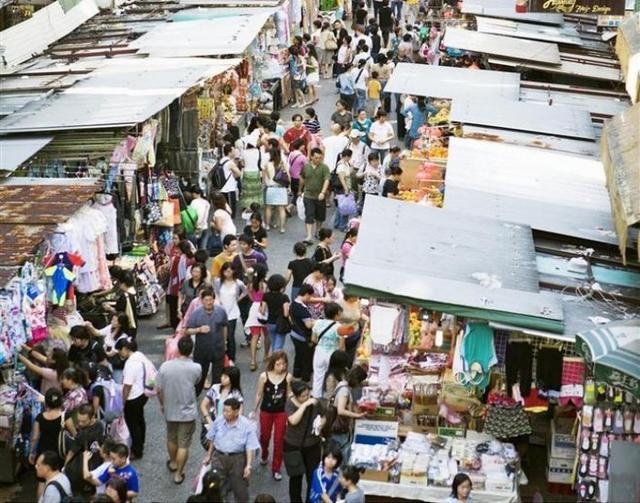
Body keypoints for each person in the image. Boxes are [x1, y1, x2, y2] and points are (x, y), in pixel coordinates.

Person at [157, 337, 202, 484]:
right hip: (187, 411)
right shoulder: (196, 367)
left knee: (171, 437)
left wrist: (162, 404)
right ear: (191, 350)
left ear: (178, 349)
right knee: (184, 443)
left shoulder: (165, 366)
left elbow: (158, 388)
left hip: (170, 408)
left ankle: (173, 462)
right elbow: (197, 382)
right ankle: (178, 474)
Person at [203, 398, 260, 503]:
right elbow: (212, 438)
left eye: (227, 411)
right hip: (219, 458)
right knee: (216, 486)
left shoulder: (246, 425)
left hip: (237, 459)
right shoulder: (219, 421)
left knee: (240, 488)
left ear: (236, 411)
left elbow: (250, 447)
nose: (224, 413)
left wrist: (248, 465)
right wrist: (208, 455)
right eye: (224, 410)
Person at [252, 351, 293, 481]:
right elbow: (259, 394)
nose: (281, 367)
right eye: (278, 364)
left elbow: (289, 395)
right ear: (272, 364)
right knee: (264, 437)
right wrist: (254, 410)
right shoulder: (264, 376)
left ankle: (276, 467)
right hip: (266, 411)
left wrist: (291, 413)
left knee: (279, 440)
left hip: (281, 412)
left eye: (283, 364)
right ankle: (264, 454)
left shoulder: (288, 377)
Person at [284, 381, 325, 503]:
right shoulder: (290, 404)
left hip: (312, 445)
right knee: (295, 478)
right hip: (293, 445)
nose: (307, 397)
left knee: (312, 478)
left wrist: (320, 425)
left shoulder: (315, 403)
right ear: (296, 396)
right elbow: (293, 420)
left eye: (308, 394)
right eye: (303, 396)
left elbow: (324, 416)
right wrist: (304, 405)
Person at [184, 288, 228, 395]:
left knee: (217, 379)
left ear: (214, 300)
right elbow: (186, 331)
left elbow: (224, 326)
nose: (208, 302)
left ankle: (215, 400)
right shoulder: (196, 313)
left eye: (210, 300)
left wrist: (225, 342)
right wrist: (198, 330)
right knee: (200, 378)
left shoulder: (221, 311)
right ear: (202, 301)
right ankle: (194, 398)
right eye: (206, 300)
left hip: (218, 349)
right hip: (202, 350)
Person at [311, 303, 354, 398]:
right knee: (333, 377)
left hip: (319, 352)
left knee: (318, 377)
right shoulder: (340, 327)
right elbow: (342, 346)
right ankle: (331, 398)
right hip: (333, 355)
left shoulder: (317, 323)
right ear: (337, 314)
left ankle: (316, 399)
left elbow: (313, 339)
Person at [64, 404, 105, 498]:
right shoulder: (100, 425)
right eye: (79, 421)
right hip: (99, 464)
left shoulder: (82, 434)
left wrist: (65, 466)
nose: (80, 424)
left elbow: (72, 452)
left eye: (83, 421)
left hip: (87, 467)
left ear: (92, 417)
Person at [117, 338, 149, 459]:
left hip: (133, 397)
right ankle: (141, 441)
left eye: (120, 350)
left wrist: (123, 402)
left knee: (133, 424)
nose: (119, 353)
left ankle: (137, 450)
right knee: (140, 419)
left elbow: (127, 386)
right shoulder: (139, 356)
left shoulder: (130, 364)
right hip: (143, 393)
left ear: (125, 349)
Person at [30, 389, 64, 499]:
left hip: (43, 453)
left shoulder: (40, 417)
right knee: (56, 480)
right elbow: (73, 434)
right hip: (58, 453)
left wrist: (32, 452)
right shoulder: (64, 417)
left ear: (46, 402)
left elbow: (35, 437)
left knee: (41, 482)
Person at [330, 367, 367, 461]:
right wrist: (357, 416)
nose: (360, 384)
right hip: (340, 428)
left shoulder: (342, 384)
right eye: (360, 382)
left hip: (336, 427)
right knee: (342, 453)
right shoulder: (345, 391)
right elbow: (341, 410)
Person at [213, 262, 247, 362]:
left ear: (233, 271)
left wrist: (238, 299)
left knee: (230, 336)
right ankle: (222, 358)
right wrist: (217, 302)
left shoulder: (238, 283)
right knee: (220, 335)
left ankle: (231, 359)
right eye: (225, 271)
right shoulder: (218, 282)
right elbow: (215, 292)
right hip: (220, 312)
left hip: (232, 312)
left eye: (229, 271)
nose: (227, 273)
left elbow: (245, 292)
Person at [201, 366, 244, 435]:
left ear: (233, 379)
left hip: (228, 428)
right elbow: (203, 405)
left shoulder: (236, 394)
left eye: (226, 377)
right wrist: (208, 419)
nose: (222, 378)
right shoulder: (215, 388)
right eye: (222, 375)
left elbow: (239, 413)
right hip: (214, 422)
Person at [300, 148, 331, 245]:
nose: (318, 160)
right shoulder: (306, 167)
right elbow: (302, 178)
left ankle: (317, 230)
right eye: (316, 158)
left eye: (320, 158)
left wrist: (323, 192)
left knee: (320, 216)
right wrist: (300, 190)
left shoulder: (324, 167)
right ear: (311, 157)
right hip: (308, 195)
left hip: (320, 196)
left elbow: (326, 180)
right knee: (309, 215)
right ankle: (309, 235)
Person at [288, 285, 316, 382]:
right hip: (303, 337)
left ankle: (296, 374)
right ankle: (305, 378)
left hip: (295, 333)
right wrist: (316, 322)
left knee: (298, 356)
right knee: (307, 358)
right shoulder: (301, 308)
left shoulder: (293, 304)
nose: (310, 298)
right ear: (306, 294)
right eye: (310, 296)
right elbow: (308, 325)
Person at [166, 240, 196, 330]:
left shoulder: (180, 259)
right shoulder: (190, 259)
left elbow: (175, 273)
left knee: (179, 307)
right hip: (187, 286)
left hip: (179, 286)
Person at [244, 263, 269, 371]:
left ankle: (253, 361)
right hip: (264, 308)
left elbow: (249, 295)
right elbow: (267, 296)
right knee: (266, 334)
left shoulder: (250, 284)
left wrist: (255, 300)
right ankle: (266, 355)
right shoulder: (264, 284)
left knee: (255, 336)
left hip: (254, 308)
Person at [102, 271, 138, 338]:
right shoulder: (133, 292)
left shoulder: (124, 296)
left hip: (126, 326)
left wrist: (109, 308)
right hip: (133, 323)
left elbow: (119, 312)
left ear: (123, 284)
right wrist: (112, 303)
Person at [260, 274, 291, 352]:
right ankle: (275, 362)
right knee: (278, 346)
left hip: (270, 323)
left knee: (274, 343)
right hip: (281, 324)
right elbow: (286, 314)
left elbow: (262, 311)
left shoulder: (266, 296)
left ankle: (273, 361)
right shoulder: (284, 297)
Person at [262, 149, 289, 234]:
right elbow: (288, 176)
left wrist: (266, 184)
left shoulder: (267, 164)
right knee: (281, 209)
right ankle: (282, 228)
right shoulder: (283, 165)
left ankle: (267, 225)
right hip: (281, 188)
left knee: (269, 207)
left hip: (271, 188)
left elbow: (264, 178)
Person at [218, 143, 242, 218]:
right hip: (229, 188)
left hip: (221, 188)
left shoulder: (221, 161)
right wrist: (234, 176)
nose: (235, 152)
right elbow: (239, 173)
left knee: (223, 209)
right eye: (233, 150)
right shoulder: (230, 163)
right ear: (229, 152)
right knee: (230, 210)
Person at [288, 138, 308, 207]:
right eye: (303, 145)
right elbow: (307, 168)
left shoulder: (291, 154)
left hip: (292, 177)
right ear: (301, 146)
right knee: (300, 194)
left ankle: (298, 206)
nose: (304, 146)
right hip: (299, 179)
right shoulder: (302, 157)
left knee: (296, 194)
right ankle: (289, 207)